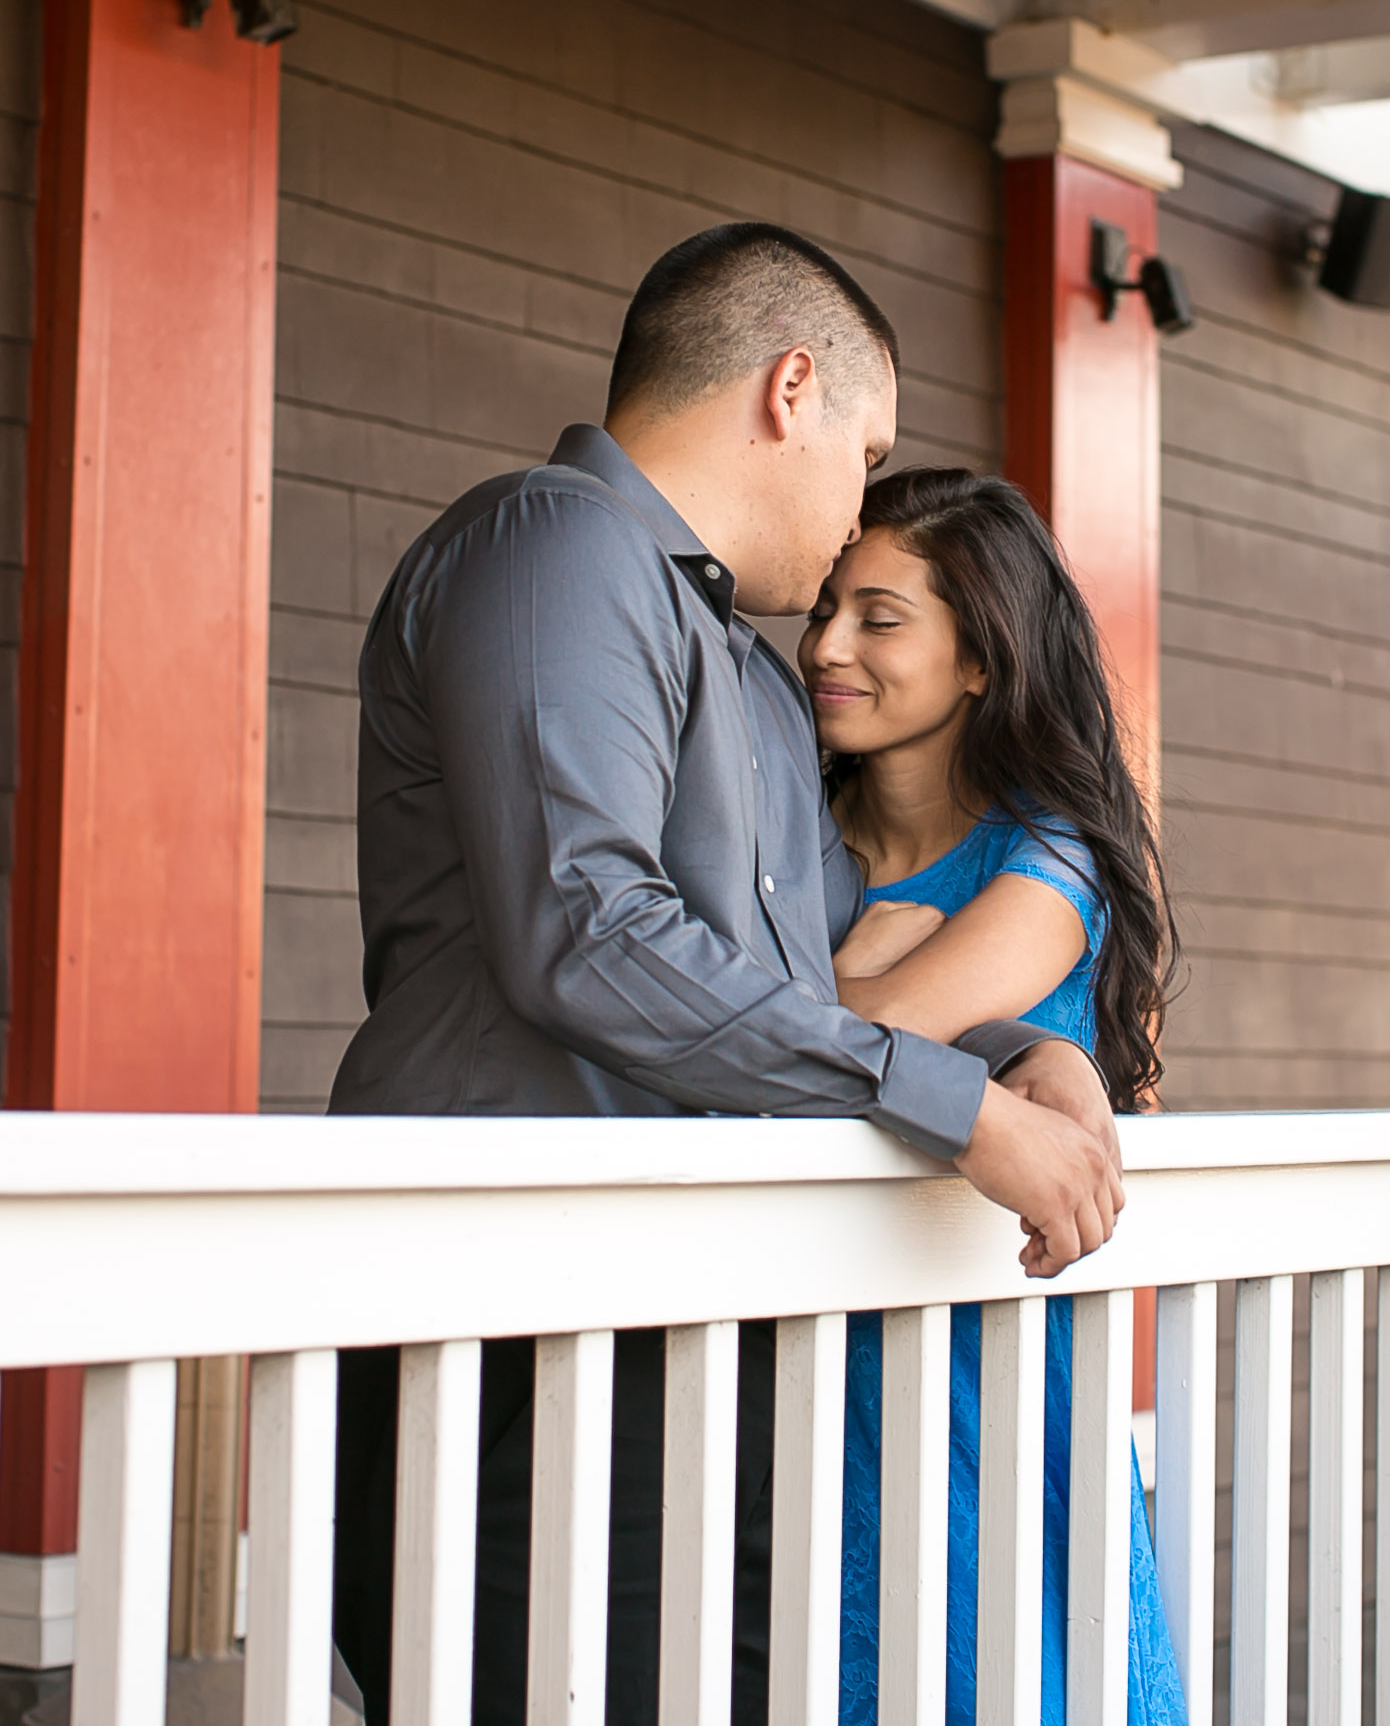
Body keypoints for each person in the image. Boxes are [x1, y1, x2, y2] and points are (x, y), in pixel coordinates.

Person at [327, 222, 1124, 1726]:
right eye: (864, 447)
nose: (852, 515)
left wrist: (1030, 1049)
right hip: (517, 1318)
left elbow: (827, 960)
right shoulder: (551, 545)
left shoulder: (750, 675)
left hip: (698, 1329)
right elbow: (590, 928)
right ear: (791, 390)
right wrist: (958, 1106)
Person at [799, 465, 1186, 1726]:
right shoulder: (791, 834)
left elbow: (854, 1032)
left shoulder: (1045, 851)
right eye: (821, 608)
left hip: (996, 1373)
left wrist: (852, 978)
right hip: (804, 1354)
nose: (824, 645)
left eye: (877, 614)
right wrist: (858, 972)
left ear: (979, 658)